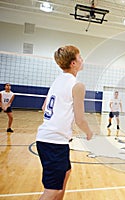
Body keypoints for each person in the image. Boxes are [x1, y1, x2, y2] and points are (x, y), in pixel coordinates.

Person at [36, 45, 94, 200]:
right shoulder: (77, 85)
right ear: (73, 63)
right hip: (53, 142)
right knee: (51, 191)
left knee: (66, 172)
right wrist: (89, 132)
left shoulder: (57, 81)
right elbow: (80, 119)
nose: (82, 59)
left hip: (48, 139)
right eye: (80, 57)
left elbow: (44, 107)